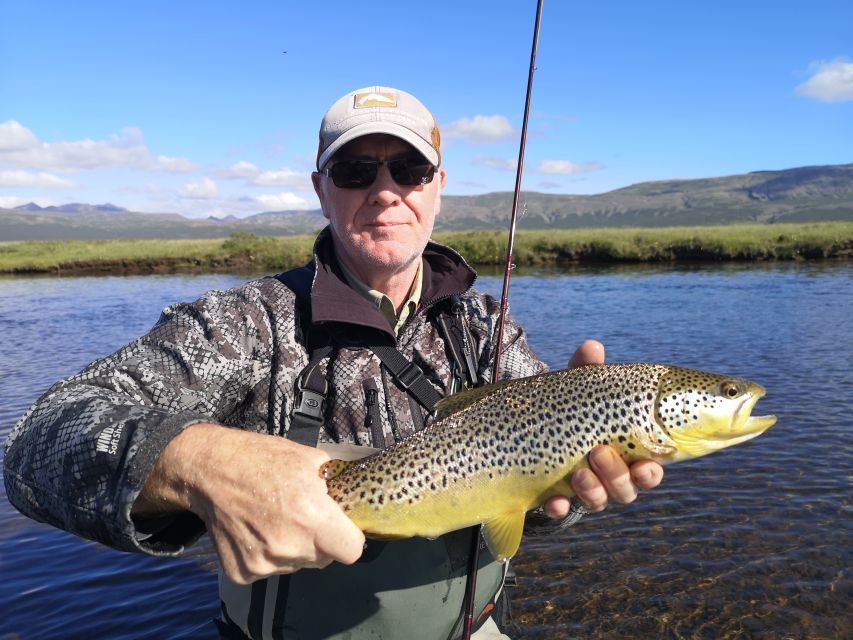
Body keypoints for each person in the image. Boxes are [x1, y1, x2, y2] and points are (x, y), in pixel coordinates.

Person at [4, 86, 663, 639]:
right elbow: (35, 446)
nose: (384, 192)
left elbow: (526, 516)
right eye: (356, 171)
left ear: (437, 189)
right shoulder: (245, 324)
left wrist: (572, 493)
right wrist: (189, 461)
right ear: (322, 190)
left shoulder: (486, 331)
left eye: (408, 170)